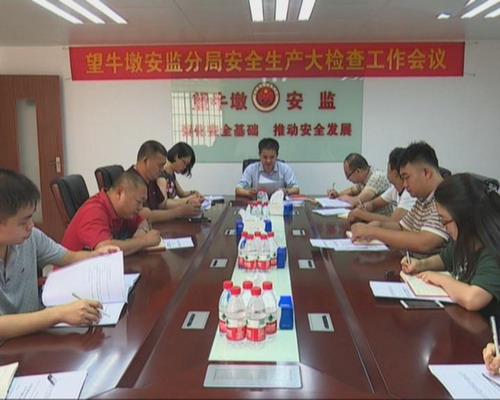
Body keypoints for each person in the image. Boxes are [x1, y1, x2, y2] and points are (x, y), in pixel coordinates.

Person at [0, 169, 118, 340]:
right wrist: (58, 314)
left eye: (31, 218)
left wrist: (97, 255)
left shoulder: (31, 238)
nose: (31, 226)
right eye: (23, 221)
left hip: (33, 338)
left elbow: (67, 257)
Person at [401, 173, 500, 320]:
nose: (443, 227)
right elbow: (444, 259)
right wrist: (421, 264)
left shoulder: (492, 252)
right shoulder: (463, 241)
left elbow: (473, 299)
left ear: (464, 218)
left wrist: (441, 279)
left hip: (484, 329)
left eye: (445, 221)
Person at [351, 141, 449, 256]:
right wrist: (378, 225)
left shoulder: (446, 198)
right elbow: (403, 227)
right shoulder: (423, 197)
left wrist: (373, 232)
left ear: (426, 173)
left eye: (407, 178)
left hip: (428, 266)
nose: (405, 184)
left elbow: (424, 242)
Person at [62, 171, 161, 255]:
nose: (141, 207)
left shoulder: (123, 211)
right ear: (119, 193)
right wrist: (144, 241)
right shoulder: (93, 211)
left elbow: (142, 221)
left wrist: (141, 232)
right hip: (73, 270)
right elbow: (106, 248)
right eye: (138, 202)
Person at [129, 140, 200, 223]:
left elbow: (162, 204)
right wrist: (179, 212)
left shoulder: (151, 179)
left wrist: (187, 202)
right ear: (146, 161)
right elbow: (145, 216)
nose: (162, 169)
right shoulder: (131, 181)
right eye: (160, 165)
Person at [348, 147, 416, 223]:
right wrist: (364, 208)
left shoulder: (409, 193)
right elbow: (373, 204)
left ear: (395, 173)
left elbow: (393, 221)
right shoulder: (394, 189)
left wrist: (361, 214)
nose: (386, 173)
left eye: (388, 169)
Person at [235, 138, 299, 198]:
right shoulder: (251, 169)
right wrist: (248, 192)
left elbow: (296, 189)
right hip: (257, 203)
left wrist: (286, 191)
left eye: (272, 157)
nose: (268, 161)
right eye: (265, 157)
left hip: (279, 203)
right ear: (259, 155)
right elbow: (238, 189)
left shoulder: (285, 168)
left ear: (277, 155)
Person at [157, 142, 203, 207]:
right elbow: (163, 203)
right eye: (184, 163)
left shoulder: (171, 174)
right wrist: (188, 200)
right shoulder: (162, 175)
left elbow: (182, 193)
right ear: (176, 157)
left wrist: (194, 193)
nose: (185, 167)